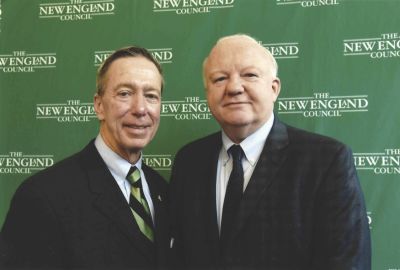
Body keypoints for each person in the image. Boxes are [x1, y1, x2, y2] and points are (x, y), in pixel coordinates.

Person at [169, 34, 371, 270]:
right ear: (207, 93)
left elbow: (347, 263)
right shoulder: (189, 161)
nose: (234, 87)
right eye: (220, 78)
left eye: (250, 75)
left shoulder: (326, 160)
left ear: (274, 88)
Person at [0, 46, 169, 269]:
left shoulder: (163, 191)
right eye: (125, 93)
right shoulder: (42, 195)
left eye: (151, 96)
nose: (140, 108)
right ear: (99, 106)